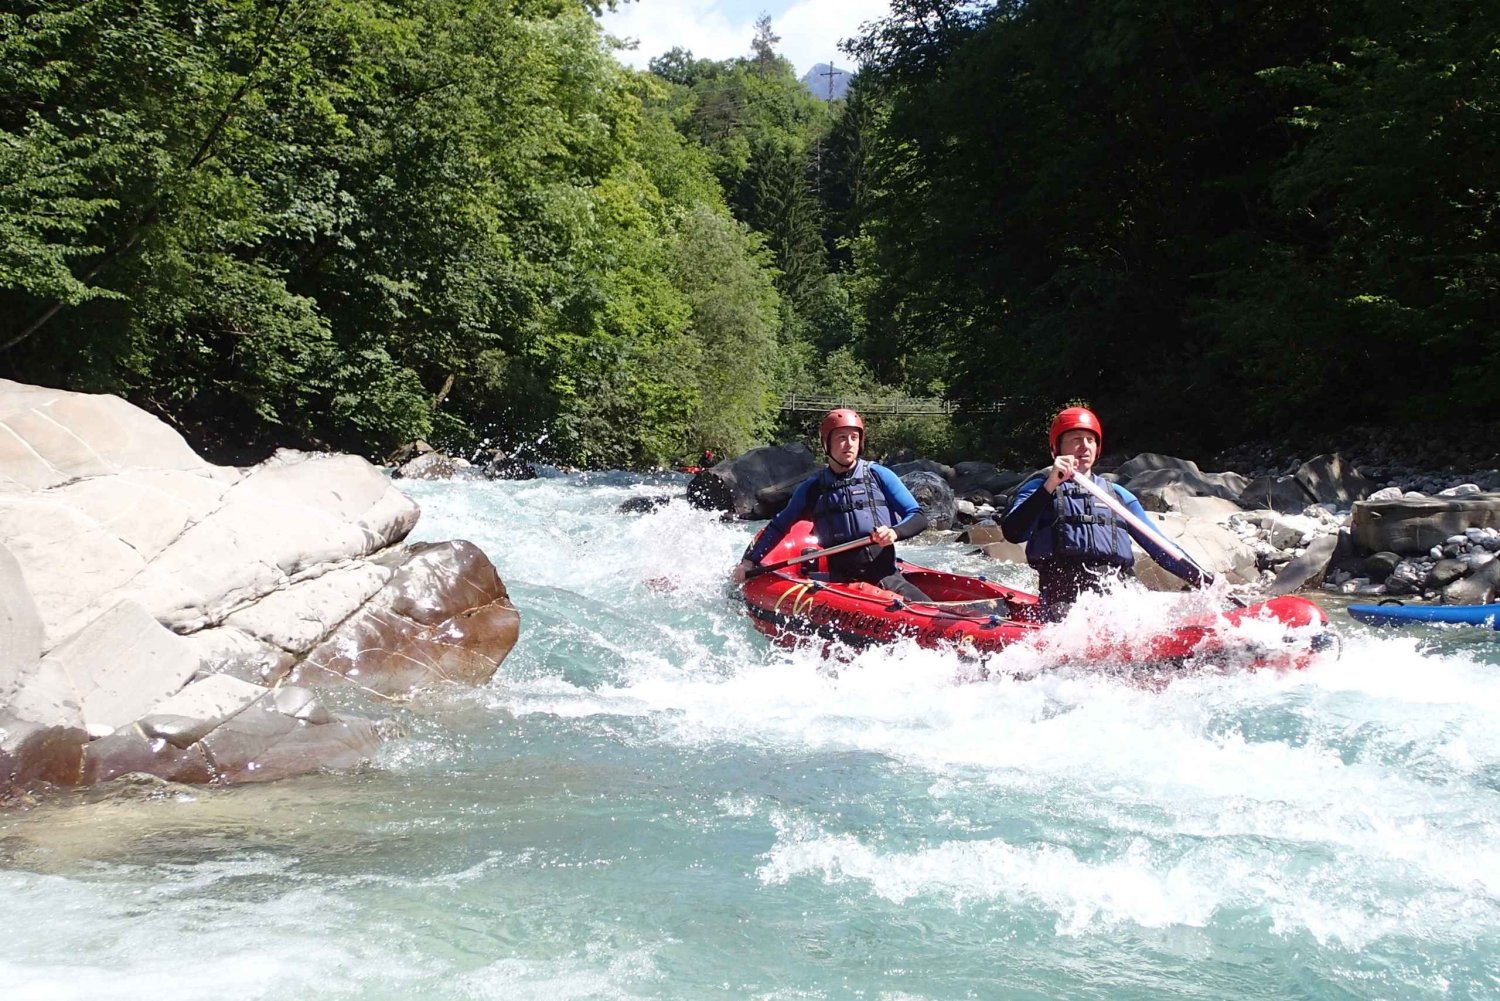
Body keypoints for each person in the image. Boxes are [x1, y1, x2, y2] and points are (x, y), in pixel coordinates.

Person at [1001, 406, 1197, 620]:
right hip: (1062, 603)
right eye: (1075, 439)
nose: (1084, 446)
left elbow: (1161, 549)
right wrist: (1050, 484)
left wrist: (1204, 580)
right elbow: (1014, 532)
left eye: (1090, 440)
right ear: (1057, 448)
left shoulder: (1118, 495)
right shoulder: (1040, 487)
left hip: (1116, 598)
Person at [731, 408, 931, 601]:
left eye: (854, 437)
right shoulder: (813, 487)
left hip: (884, 575)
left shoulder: (879, 475)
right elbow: (778, 526)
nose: (849, 444)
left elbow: (918, 515)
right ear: (826, 443)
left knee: (927, 607)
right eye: (841, 438)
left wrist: (894, 532)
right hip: (838, 583)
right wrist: (749, 561)